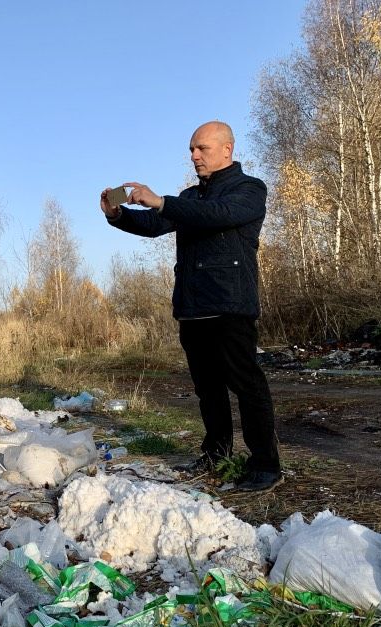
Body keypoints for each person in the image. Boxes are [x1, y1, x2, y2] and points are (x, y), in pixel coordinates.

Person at [100, 120, 282, 492]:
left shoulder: (250, 189)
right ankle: (217, 453)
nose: (195, 156)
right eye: (191, 150)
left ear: (227, 150)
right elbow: (155, 223)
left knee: (248, 387)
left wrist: (164, 201)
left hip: (230, 306)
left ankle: (266, 464)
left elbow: (219, 215)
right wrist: (118, 215)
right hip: (192, 307)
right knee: (207, 389)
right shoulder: (191, 197)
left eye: (203, 149)